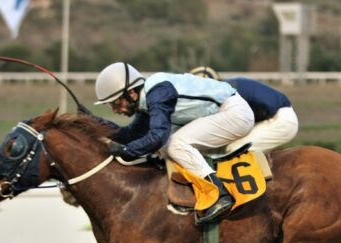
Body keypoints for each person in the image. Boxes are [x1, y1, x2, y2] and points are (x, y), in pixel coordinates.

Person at [94, 62, 255, 224]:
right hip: (223, 113)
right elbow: (130, 133)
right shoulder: (148, 99)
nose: (115, 110)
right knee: (166, 145)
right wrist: (93, 127)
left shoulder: (158, 94)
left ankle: (220, 194)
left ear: (131, 93)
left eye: (116, 103)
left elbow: (158, 136)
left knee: (175, 143)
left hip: (234, 113)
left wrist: (127, 150)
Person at [189, 66, 298, 154]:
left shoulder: (226, 94)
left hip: (279, 120)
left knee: (235, 149)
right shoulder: (228, 87)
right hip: (276, 117)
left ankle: (258, 181)